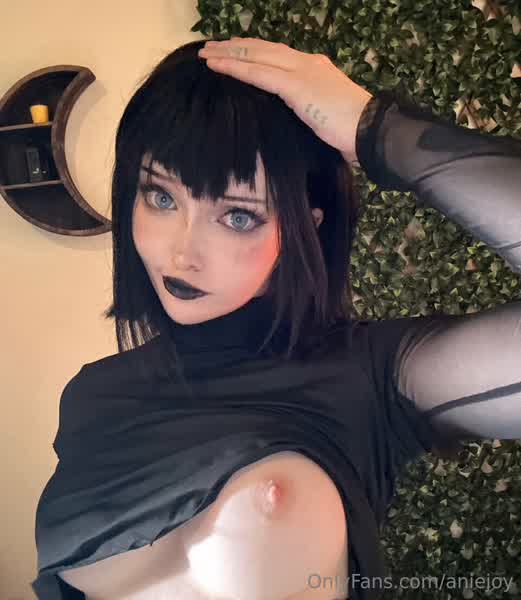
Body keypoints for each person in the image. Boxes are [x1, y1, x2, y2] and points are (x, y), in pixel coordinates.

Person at [31, 37, 521, 600]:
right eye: (161, 198)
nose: (182, 253)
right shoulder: (90, 397)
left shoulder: (372, 376)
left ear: (305, 227)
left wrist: (375, 129)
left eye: (237, 216)